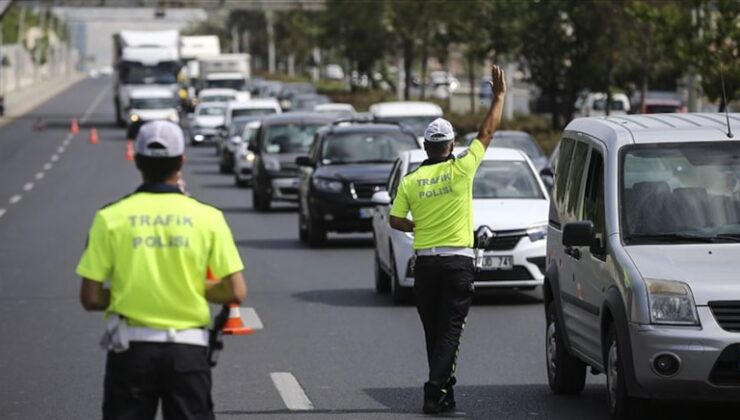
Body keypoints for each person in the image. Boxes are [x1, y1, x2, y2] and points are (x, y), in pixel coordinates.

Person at [76, 120, 247, 420]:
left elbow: (90, 297)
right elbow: (236, 291)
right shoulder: (208, 218)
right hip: (188, 352)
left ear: (138, 161)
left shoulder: (109, 218)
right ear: (181, 161)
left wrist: (129, 292)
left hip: (131, 352)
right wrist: (194, 288)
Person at [389, 65, 506, 414]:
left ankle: (444, 392)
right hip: (458, 264)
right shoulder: (461, 169)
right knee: (451, 332)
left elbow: (395, 220)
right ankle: (433, 391)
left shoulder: (411, 181)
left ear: (426, 147)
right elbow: (486, 132)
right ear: (452, 145)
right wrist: (499, 96)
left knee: (434, 333)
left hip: (424, 264)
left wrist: (417, 226)